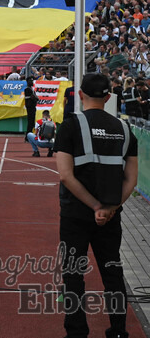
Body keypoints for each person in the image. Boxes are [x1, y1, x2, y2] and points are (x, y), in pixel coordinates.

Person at [54, 72, 138, 338]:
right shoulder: (125, 130)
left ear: (80, 95)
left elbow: (66, 175)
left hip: (75, 215)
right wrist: (108, 209)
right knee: (113, 274)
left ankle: (76, 332)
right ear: (109, 97)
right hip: (111, 218)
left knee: (73, 276)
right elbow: (131, 179)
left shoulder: (69, 126)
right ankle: (118, 331)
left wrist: (93, 206)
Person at [23, 77, 38, 142]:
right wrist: (35, 98)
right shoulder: (27, 89)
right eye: (31, 81)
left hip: (32, 107)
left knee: (32, 122)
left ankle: (30, 136)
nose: (32, 82)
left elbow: (35, 97)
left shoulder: (32, 89)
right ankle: (27, 137)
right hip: (30, 107)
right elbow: (33, 97)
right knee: (30, 122)